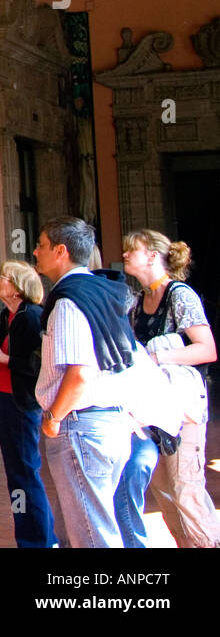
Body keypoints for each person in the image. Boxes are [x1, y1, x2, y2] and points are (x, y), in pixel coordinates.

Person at [33, 216, 138, 547]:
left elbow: (79, 372)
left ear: (60, 251)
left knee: (92, 535)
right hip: (108, 420)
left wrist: (54, 419)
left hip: (81, 425)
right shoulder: (102, 290)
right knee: (85, 527)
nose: (34, 252)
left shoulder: (68, 300)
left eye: (40, 245)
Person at [115, 229, 220, 548]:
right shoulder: (138, 299)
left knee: (185, 487)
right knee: (164, 492)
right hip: (153, 409)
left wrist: (157, 356)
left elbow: (207, 349)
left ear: (151, 255)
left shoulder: (180, 295)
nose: (124, 255)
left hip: (182, 408)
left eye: (131, 249)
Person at [0, 260, 56, 547]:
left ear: (18, 288)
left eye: (5, 277)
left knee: (25, 471)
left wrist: (4, 358)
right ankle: (31, 536)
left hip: (22, 402)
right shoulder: (7, 315)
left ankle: (38, 540)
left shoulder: (31, 316)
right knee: (16, 474)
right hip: (4, 398)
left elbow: (40, 365)